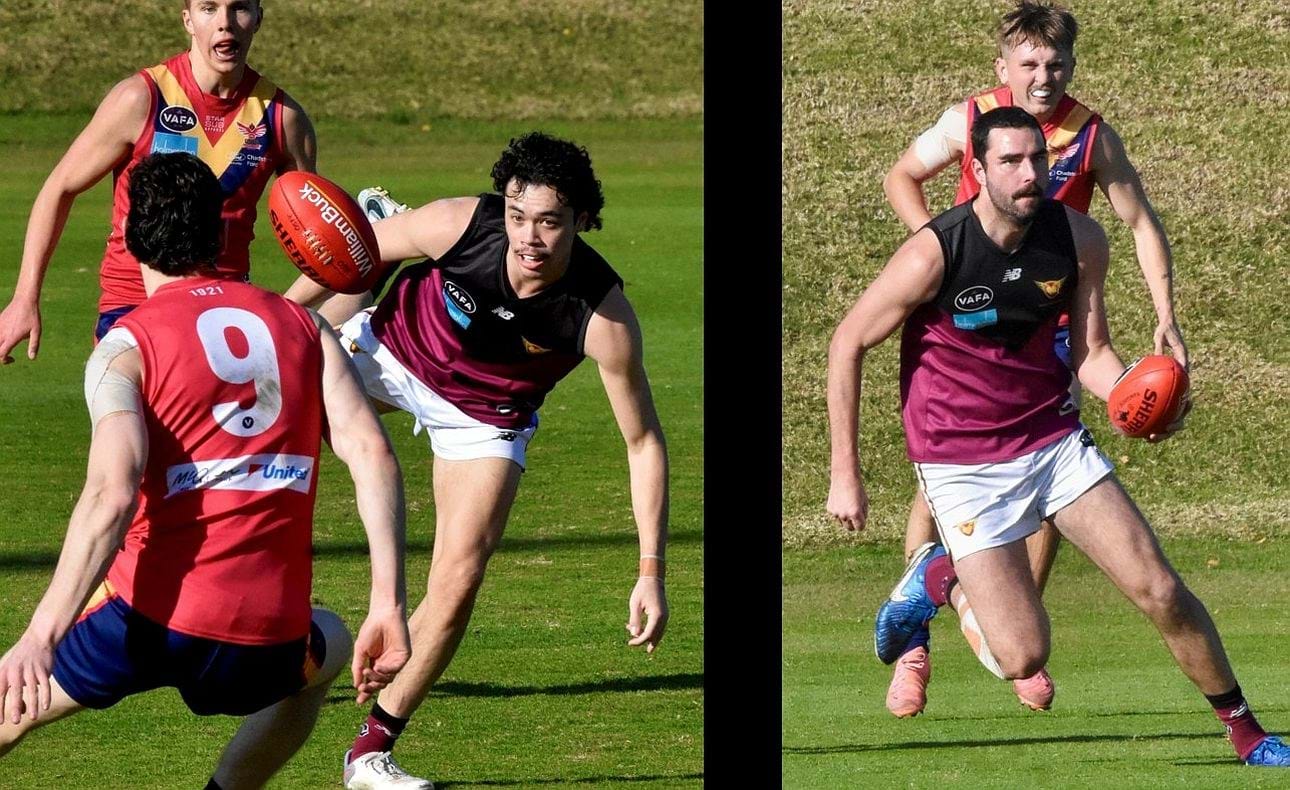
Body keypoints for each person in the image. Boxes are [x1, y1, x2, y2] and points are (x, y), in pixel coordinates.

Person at [826, 106, 1289, 767]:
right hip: (960, 461)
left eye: (1037, 159)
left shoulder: (1078, 238)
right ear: (978, 170)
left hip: (1052, 439)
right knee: (1022, 656)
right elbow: (847, 342)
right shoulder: (937, 250)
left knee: (1158, 587)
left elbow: (1091, 353)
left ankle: (1249, 735)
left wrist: (1136, 399)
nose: (1028, 173)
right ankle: (933, 576)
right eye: (1010, 161)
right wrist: (846, 472)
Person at [0, 152, 413, 787]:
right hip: (267, 638)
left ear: (132, 235)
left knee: (12, 703)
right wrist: (388, 600)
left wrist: (39, 634)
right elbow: (371, 455)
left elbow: (111, 493)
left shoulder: (125, 348)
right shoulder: (306, 328)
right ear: (221, 234)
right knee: (326, 642)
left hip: (147, 620)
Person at [290, 131, 671, 788]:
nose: (528, 237)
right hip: (390, 354)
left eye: (549, 222)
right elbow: (349, 258)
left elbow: (643, 443)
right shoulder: (461, 224)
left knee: (459, 577)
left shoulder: (602, 317)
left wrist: (649, 571)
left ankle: (370, 753)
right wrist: (272, 314)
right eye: (518, 215)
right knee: (278, 431)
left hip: (484, 416)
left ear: (581, 220)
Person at [877, 0, 1188, 716]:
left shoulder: (1090, 135)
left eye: (1055, 64)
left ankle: (1001, 629)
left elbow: (1140, 223)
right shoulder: (972, 118)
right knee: (938, 490)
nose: (1043, 77)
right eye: (1028, 64)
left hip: (1044, 327)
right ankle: (917, 645)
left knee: (1046, 491)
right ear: (1004, 68)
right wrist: (944, 253)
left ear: (1071, 66)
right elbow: (902, 175)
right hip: (968, 320)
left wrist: (1167, 319)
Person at [0, 0, 316, 363]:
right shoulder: (142, 98)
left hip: (224, 313)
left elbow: (315, 232)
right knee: (128, 418)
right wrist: (25, 298)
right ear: (188, 20)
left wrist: (286, 309)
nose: (225, 23)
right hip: (134, 305)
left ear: (258, 18)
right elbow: (59, 189)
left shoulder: (282, 119)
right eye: (209, 8)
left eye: (240, 8)